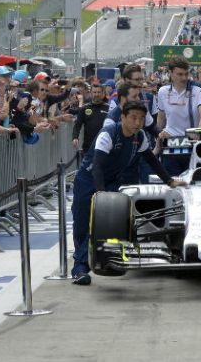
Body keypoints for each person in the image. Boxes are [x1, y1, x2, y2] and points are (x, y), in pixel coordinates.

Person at [70, 101, 185, 285]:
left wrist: (170, 181)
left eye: (140, 118)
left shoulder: (139, 137)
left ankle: (80, 268)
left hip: (113, 182)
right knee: (82, 224)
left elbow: (152, 160)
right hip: (88, 180)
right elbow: (97, 166)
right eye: (133, 118)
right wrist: (101, 194)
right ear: (122, 117)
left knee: (98, 225)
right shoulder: (109, 133)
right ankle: (81, 260)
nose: (137, 122)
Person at [156, 56, 201, 176]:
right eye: (180, 74)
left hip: (192, 144)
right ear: (170, 73)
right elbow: (161, 117)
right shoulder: (163, 91)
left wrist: (198, 133)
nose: (184, 78)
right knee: (172, 185)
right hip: (170, 143)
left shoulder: (199, 89)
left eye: (186, 74)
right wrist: (158, 137)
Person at [72, 83, 109, 154]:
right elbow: (77, 125)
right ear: (91, 93)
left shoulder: (108, 108)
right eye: (94, 92)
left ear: (102, 93)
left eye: (99, 92)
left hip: (104, 146)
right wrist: (75, 137)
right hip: (88, 147)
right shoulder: (84, 108)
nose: (97, 94)